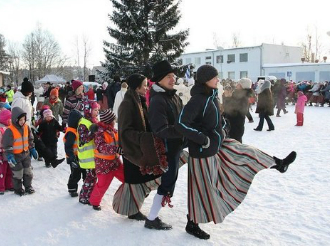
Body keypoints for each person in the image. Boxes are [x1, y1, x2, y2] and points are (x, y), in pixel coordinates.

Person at [176, 64, 297, 240]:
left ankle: (278, 163)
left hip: (218, 144)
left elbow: (217, 118)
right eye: (215, 77)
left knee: (245, 152)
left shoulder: (211, 97)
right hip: (202, 152)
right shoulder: (198, 100)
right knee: (201, 188)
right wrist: (203, 139)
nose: (218, 80)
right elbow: (181, 124)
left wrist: (223, 127)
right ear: (206, 80)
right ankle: (192, 223)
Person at [112, 74, 168, 221]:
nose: (146, 87)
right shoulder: (127, 104)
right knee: (134, 182)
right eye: (144, 85)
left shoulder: (140, 101)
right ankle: (131, 210)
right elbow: (125, 131)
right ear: (137, 87)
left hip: (140, 149)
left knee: (141, 180)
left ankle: (132, 207)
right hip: (132, 150)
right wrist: (144, 137)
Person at [145, 60, 185, 230]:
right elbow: (160, 129)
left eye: (173, 75)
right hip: (167, 150)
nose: (172, 79)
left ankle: (152, 216)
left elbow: (181, 119)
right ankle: (151, 218)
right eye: (168, 76)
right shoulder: (158, 100)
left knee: (169, 182)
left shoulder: (173, 96)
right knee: (167, 183)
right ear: (159, 79)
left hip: (176, 147)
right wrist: (184, 131)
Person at [89, 109, 124, 211]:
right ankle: (94, 202)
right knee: (102, 185)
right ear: (109, 121)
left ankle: (126, 196)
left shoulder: (112, 130)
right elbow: (101, 147)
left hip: (115, 162)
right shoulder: (100, 133)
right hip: (104, 164)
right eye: (113, 119)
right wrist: (116, 149)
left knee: (128, 179)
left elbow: (119, 140)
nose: (115, 121)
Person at [2, 106, 38, 196]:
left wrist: (32, 148)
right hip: (15, 156)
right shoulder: (10, 130)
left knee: (28, 171)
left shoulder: (26, 127)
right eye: (20, 120)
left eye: (24, 119)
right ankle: (17, 189)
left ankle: (28, 186)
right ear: (15, 119)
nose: (22, 121)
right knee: (18, 173)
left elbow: (30, 139)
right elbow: (7, 145)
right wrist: (9, 156)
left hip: (25, 154)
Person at [77, 101, 100, 205]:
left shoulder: (94, 120)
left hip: (94, 155)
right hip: (87, 156)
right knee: (90, 178)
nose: (97, 112)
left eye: (98, 110)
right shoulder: (83, 123)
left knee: (93, 177)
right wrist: (92, 131)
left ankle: (90, 195)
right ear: (88, 111)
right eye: (95, 110)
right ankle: (84, 196)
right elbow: (84, 138)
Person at [223, 78, 253, 143]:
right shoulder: (240, 95)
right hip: (235, 124)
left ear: (242, 86)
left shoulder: (241, 96)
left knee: (234, 145)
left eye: (238, 84)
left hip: (234, 125)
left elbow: (230, 109)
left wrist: (227, 98)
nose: (236, 85)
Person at [64, 109, 86, 197]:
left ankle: (85, 187)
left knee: (82, 171)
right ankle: (72, 188)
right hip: (73, 157)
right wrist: (72, 158)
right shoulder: (71, 132)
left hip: (78, 155)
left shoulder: (75, 130)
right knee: (75, 174)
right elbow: (68, 146)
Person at [0, 109, 14, 195]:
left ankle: (9, 184)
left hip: (10, 153)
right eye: (9, 119)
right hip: (2, 154)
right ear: (5, 119)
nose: (11, 121)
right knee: (2, 171)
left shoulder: (11, 127)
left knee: (9, 169)